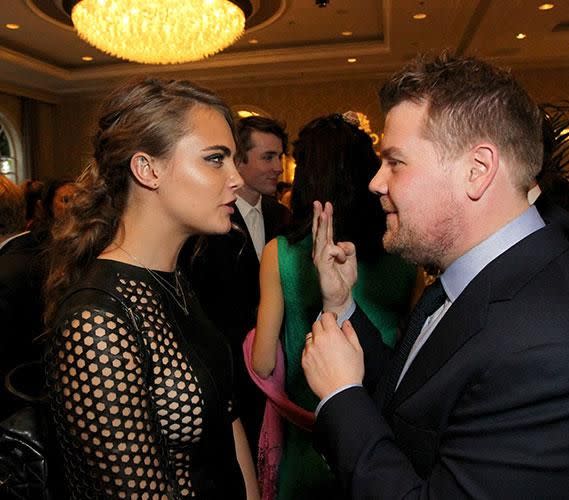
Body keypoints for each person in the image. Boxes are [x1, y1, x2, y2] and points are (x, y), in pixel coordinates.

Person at [301, 53, 569, 499]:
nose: (376, 182)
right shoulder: (480, 272)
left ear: (476, 170)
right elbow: (415, 394)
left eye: (395, 162)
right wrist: (342, 305)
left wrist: (341, 397)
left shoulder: (555, 353)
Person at [43, 78, 259, 499]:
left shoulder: (178, 280)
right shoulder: (97, 321)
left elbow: (224, 419)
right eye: (216, 159)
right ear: (148, 169)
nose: (236, 178)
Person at [250, 114, 416, 499]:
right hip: (383, 435)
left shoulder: (280, 254)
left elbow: (263, 362)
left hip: (308, 438)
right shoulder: (402, 253)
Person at [180, 115, 291, 453]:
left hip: (275, 370)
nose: (279, 168)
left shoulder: (283, 218)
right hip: (225, 374)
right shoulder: (206, 226)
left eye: (280, 157)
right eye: (268, 157)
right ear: (239, 161)